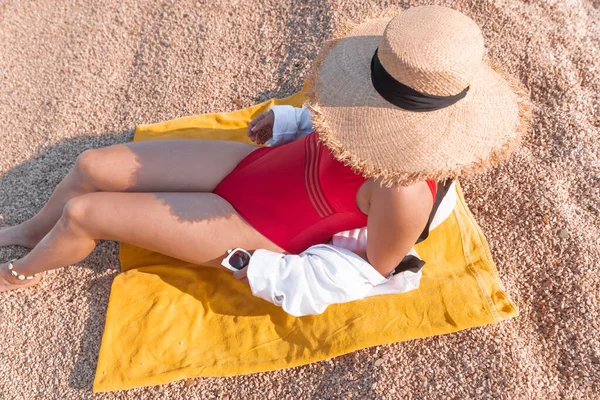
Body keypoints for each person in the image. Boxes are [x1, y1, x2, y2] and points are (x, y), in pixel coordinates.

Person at [0, 6, 530, 316]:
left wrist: (263, 269)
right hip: (253, 171)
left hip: (260, 228)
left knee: (86, 214)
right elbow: (323, 127)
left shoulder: (404, 192)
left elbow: (371, 270)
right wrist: (292, 122)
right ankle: (29, 230)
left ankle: (20, 275)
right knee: (93, 165)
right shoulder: (365, 96)